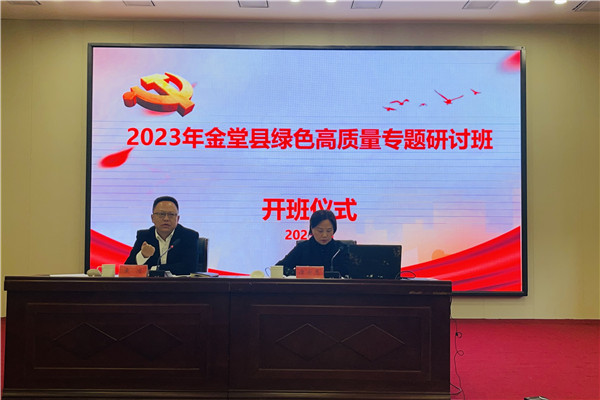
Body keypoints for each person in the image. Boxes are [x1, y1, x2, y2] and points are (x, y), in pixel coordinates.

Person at [124, 196, 200, 275]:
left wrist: (155, 269)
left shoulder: (189, 236)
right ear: (152, 218)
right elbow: (127, 269)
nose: (166, 219)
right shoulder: (144, 236)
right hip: (150, 283)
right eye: (161, 214)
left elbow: (190, 267)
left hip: (178, 282)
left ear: (177, 219)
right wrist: (143, 256)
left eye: (171, 214)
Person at [276, 209, 350, 277]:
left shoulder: (341, 249)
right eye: (320, 231)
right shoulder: (302, 248)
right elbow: (279, 268)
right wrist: (297, 273)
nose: (324, 235)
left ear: (334, 230)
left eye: (329, 230)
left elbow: (353, 273)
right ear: (312, 229)